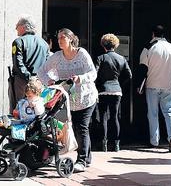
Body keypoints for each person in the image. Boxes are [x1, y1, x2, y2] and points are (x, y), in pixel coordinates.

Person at [37, 28, 97, 172]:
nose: (59, 41)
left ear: (70, 39)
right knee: (75, 127)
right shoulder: (57, 56)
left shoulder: (81, 53)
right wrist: (49, 81)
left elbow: (93, 73)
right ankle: (86, 158)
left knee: (82, 127)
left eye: (62, 38)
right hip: (68, 100)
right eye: (58, 38)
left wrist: (80, 78)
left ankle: (82, 160)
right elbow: (41, 71)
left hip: (86, 97)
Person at [137, 25, 171, 152]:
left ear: (153, 34)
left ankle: (154, 140)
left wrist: (139, 85)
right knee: (170, 112)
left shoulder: (149, 47)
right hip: (169, 84)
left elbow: (143, 67)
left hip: (152, 84)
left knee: (153, 113)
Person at [95, 33, 132, 152]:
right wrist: (120, 83)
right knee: (115, 116)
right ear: (115, 45)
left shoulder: (101, 58)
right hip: (116, 89)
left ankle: (103, 143)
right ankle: (116, 144)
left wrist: (98, 84)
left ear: (103, 44)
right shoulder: (121, 59)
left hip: (103, 90)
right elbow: (129, 75)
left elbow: (94, 74)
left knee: (103, 117)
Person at [10, 15, 49, 111]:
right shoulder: (44, 43)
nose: (16, 28)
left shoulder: (18, 42)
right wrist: (37, 79)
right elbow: (47, 65)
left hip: (21, 83)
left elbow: (18, 64)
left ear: (24, 27)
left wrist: (29, 78)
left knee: (18, 110)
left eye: (17, 25)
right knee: (36, 110)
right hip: (38, 84)